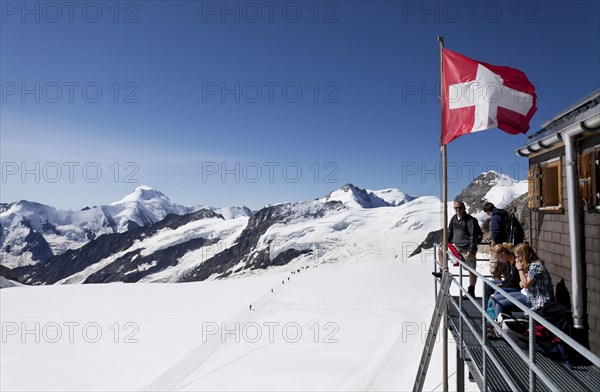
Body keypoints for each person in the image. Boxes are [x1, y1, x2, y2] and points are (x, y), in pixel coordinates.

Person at [448, 200, 479, 298]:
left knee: (471, 269)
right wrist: (446, 242)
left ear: (464, 208)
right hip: (456, 247)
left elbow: (474, 236)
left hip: (467, 249)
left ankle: (471, 290)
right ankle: (442, 270)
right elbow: (450, 231)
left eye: (460, 207)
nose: (458, 209)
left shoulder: (470, 220)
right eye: (456, 208)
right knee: (441, 251)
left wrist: (471, 250)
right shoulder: (454, 218)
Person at [488, 243, 526, 317]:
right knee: (488, 284)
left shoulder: (516, 263)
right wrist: (502, 283)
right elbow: (509, 277)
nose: (498, 260)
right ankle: (490, 314)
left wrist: (502, 286)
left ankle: (496, 319)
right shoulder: (509, 262)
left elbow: (515, 281)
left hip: (517, 288)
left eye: (498, 258)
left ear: (503, 254)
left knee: (496, 295)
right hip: (514, 285)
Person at [514, 243, 554, 311]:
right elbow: (521, 284)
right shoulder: (529, 265)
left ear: (525, 255)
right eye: (516, 257)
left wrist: (520, 269)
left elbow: (525, 284)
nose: (517, 260)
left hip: (538, 301)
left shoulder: (536, 266)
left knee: (500, 303)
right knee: (498, 298)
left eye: (518, 257)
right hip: (530, 296)